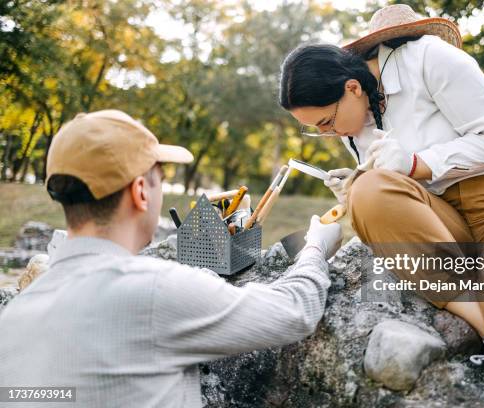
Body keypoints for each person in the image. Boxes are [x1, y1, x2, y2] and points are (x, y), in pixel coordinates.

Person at [278, 4, 484, 407]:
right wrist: (359, 188)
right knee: (368, 191)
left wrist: (418, 164)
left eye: (327, 123)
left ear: (351, 87)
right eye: (319, 131)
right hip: (440, 221)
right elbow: (391, 197)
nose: (330, 134)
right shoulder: (358, 119)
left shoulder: (430, 58)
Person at [0, 110, 343, 407]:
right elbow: (293, 312)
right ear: (139, 192)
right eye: (160, 179)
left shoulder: (15, 318)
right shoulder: (154, 290)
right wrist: (315, 247)